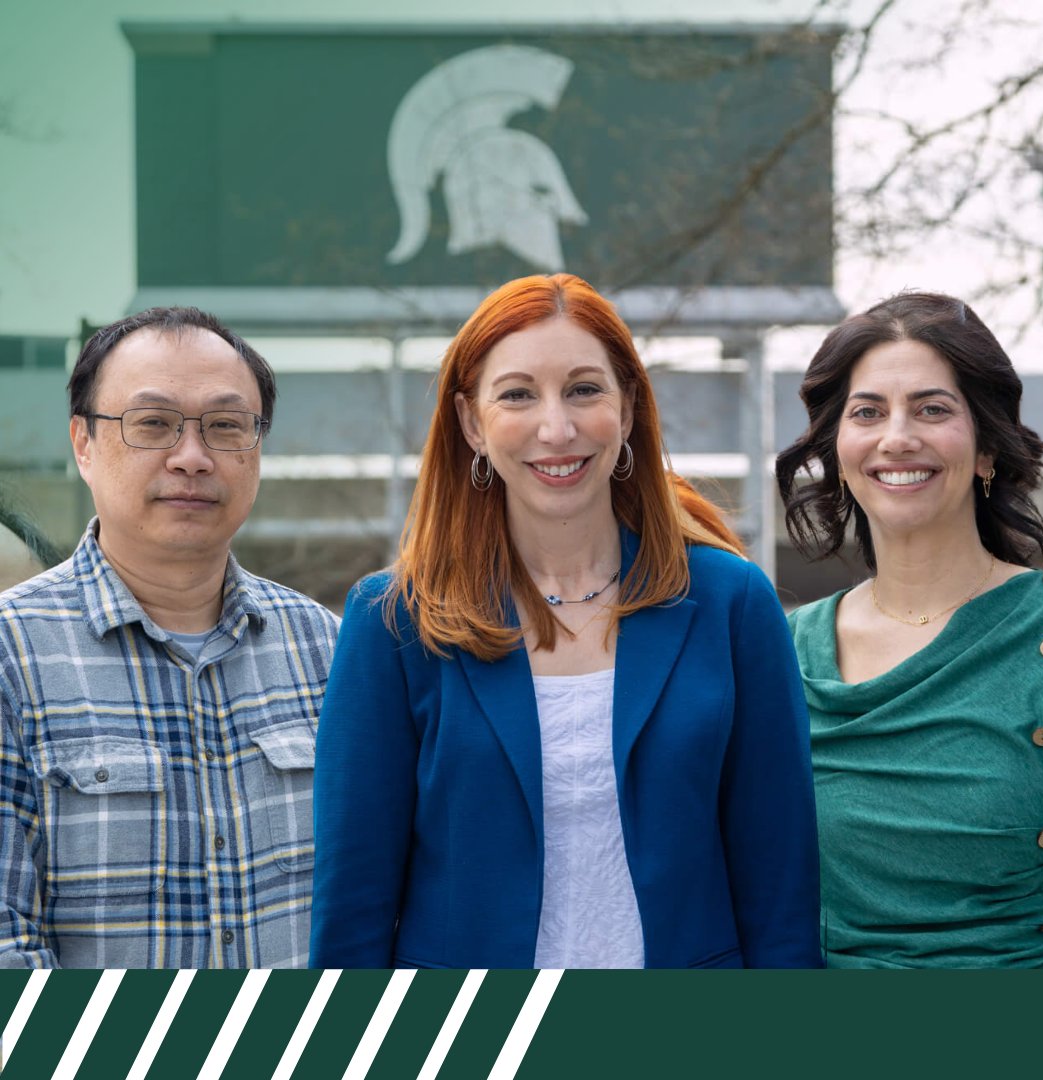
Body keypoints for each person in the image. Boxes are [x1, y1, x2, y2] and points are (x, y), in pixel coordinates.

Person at [311, 273, 821, 969]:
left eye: (584, 389)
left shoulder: (733, 603)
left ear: (629, 407)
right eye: (518, 394)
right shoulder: (393, 624)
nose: (557, 428)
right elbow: (353, 910)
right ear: (471, 423)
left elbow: (780, 887)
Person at [0, 307, 339, 968]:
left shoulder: (329, 650)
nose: (192, 457)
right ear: (83, 444)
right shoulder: (12, 657)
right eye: (153, 423)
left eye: (225, 426)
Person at [776, 290, 1043, 968]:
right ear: (839, 450)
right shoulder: (783, 652)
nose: (897, 437)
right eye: (868, 412)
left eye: (932, 409)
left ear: (987, 451)